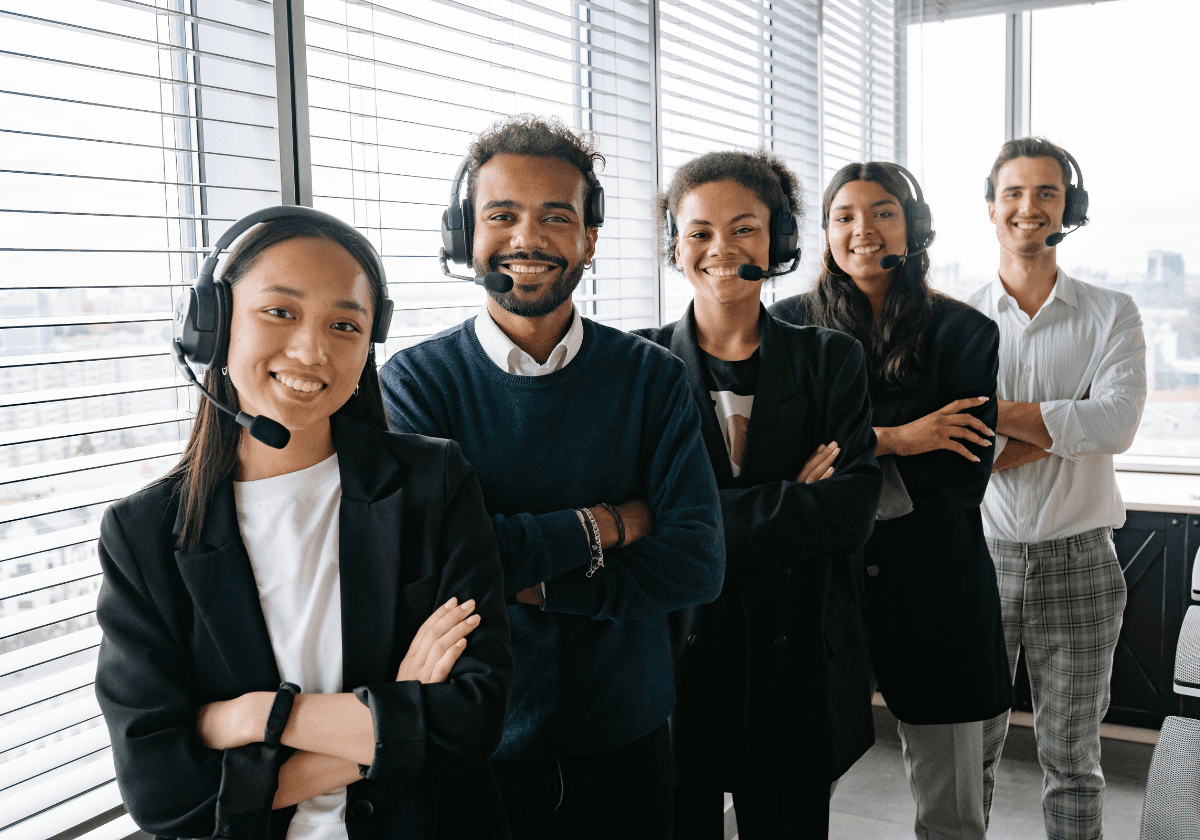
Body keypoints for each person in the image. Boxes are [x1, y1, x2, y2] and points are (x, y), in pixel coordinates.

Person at [95, 209, 513, 840]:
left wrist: (254, 716)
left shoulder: (434, 484)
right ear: (212, 326)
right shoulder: (144, 536)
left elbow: (471, 719)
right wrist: (395, 711)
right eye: (280, 312)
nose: (312, 351)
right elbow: (164, 794)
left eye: (345, 325)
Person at [379, 115, 725, 840]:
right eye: (501, 215)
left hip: (629, 740)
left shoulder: (653, 378)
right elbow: (435, 570)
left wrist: (528, 582)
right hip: (479, 750)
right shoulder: (415, 384)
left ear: (589, 239)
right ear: (464, 234)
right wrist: (609, 525)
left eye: (555, 218)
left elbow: (696, 562)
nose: (527, 239)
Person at [635, 150, 882, 839]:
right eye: (700, 231)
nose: (722, 248)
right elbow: (635, 525)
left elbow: (849, 512)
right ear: (675, 245)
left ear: (780, 240)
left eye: (744, 228)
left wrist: (685, 516)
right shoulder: (638, 366)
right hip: (678, 667)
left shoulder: (831, 360)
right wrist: (790, 498)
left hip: (796, 666)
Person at [771, 161, 1012, 840]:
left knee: (952, 811)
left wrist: (839, 456)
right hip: (817, 588)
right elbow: (776, 461)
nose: (863, 229)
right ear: (824, 232)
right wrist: (901, 437)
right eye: (844, 216)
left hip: (937, 586)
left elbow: (960, 478)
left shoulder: (964, 332)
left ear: (914, 227)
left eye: (883, 212)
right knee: (793, 793)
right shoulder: (784, 328)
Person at [968, 137, 1146, 840]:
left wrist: (996, 415)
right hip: (978, 560)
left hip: (1081, 561)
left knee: (1073, 760)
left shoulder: (1112, 312)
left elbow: (1116, 424)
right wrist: (1066, 422)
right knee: (968, 753)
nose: (1029, 206)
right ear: (991, 207)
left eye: (1047, 191)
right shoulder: (958, 319)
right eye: (1014, 191)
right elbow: (957, 451)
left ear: (1069, 206)